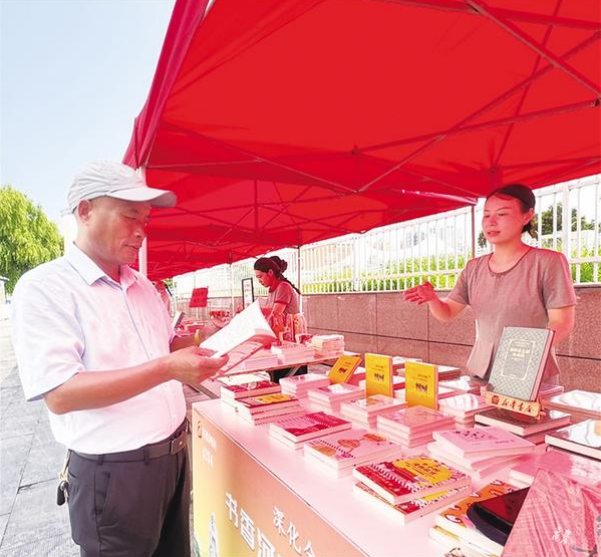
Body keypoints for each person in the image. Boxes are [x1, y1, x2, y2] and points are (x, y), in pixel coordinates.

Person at [11, 161, 227, 557]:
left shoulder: (143, 286)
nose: (142, 231)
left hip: (172, 459)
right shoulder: (46, 288)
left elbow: (163, 345)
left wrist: (200, 337)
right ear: (85, 211)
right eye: (130, 216)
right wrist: (168, 369)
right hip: (113, 475)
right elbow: (62, 393)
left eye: (145, 220)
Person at [404, 184, 576, 384]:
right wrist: (432, 299)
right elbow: (447, 312)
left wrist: (524, 354)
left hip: (529, 373)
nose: (491, 222)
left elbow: (562, 323)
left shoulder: (548, 262)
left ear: (527, 216)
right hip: (482, 370)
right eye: (486, 215)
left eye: (502, 214)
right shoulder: (473, 267)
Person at [253, 256, 307, 381]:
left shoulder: (283, 287)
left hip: (291, 344)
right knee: (278, 379)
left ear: (270, 272)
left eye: (260, 277)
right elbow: (268, 311)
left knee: (290, 380)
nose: (259, 281)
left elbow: (275, 313)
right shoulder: (272, 290)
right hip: (281, 342)